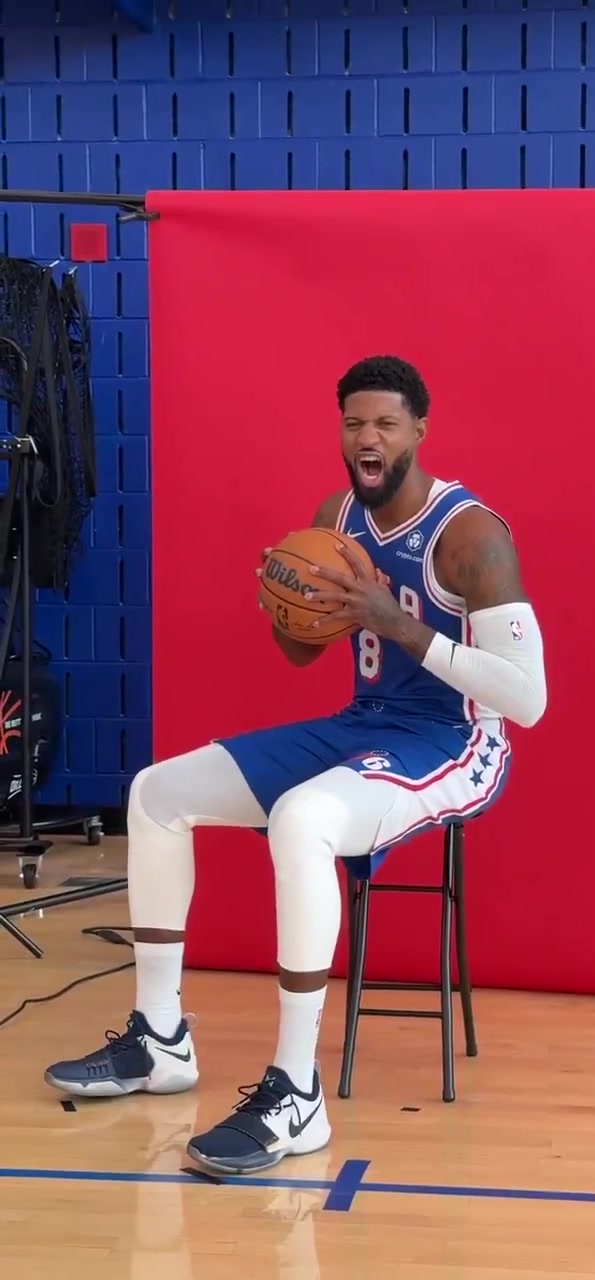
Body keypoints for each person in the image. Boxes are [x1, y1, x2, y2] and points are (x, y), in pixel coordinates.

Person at [44, 355, 547, 1175]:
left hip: (458, 743)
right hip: (365, 725)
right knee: (156, 792)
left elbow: (526, 699)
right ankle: (161, 1039)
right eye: (354, 423)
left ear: (419, 431)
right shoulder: (335, 519)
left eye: (385, 424)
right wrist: (288, 602)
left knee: (302, 818)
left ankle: (296, 1093)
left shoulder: (470, 536)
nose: (368, 438)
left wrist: (398, 622)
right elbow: (299, 654)